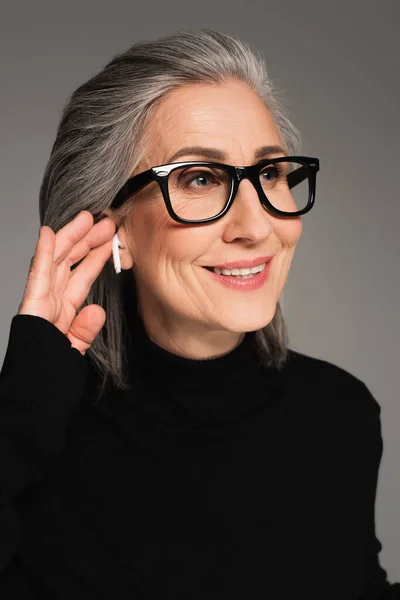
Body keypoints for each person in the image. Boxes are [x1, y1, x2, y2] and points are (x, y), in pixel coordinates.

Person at [0, 28, 398, 600]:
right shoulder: (34, 431)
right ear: (114, 230)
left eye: (270, 174)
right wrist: (22, 407)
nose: (256, 226)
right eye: (200, 179)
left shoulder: (341, 415)